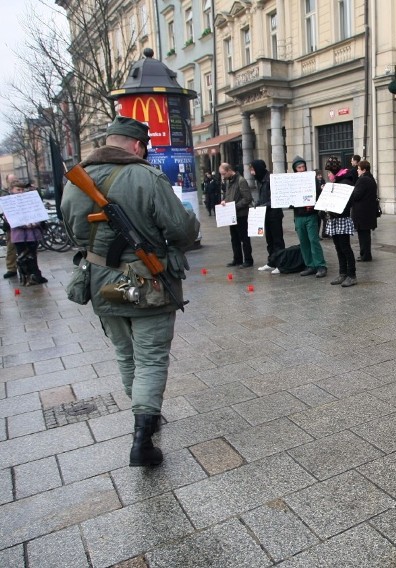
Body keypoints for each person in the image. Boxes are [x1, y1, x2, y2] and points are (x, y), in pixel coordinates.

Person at [61, 116, 199, 467]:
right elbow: (182, 230)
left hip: (100, 280)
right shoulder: (146, 175)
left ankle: (145, 415)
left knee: (126, 355)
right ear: (138, 145)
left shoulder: (76, 181)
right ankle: (143, 436)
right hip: (147, 281)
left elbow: (74, 235)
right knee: (151, 357)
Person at [324, 156, 357, 287]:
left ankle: (352, 275)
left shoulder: (345, 182)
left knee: (345, 247)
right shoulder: (337, 182)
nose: (328, 175)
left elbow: (347, 202)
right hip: (334, 218)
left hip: (342, 218)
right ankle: (342, 273)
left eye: (329, 172)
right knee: (338, 247)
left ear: (334, 172)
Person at [292, 157, 327, 278]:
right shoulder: (291, 182)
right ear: (295, 169)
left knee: (313, 240)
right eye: (299, 167)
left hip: (311, 215)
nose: (302, 169)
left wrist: (313, 203)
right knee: (303, 241)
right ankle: (310, 265)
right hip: (298, 216)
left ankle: (321, 265)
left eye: (303, 167)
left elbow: (318, 195)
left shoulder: (311, 180)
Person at [8, 181, 48, 285]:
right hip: (19, 236)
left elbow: (38, 212)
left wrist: (36, 222)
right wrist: (24, 225)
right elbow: (10, 218)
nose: (20, 192)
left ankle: (36, 276)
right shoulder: (9, 202)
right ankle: (26, 278)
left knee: (33, 256)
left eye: (22, 190)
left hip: (32, 234)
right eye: (18, 190)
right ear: (12, 190)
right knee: (22, 257)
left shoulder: (29, 200)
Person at [252, 159, 286, 273]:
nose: (252, 172)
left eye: (253, 169)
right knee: (269, 240)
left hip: (274, 214)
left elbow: (275, 199)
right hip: (265, 214)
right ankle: (271, 262)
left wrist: (262, 205)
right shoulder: (260, 180)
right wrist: (257, 204)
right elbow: (262, 197)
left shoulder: (271, 179)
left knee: (277, 240)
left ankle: (281, 264)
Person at [219, 162, 253, 268]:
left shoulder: (241, 181)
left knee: (244, 238)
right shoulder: (229, 181)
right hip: (231, 215)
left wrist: (234, 206)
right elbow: (228, 196)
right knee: (234, 238)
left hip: (241, 214)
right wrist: (224, 201)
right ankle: (237, 259)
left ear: (229, 170)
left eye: (224, 174)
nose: (223, 176)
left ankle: (248, 260)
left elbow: (247, 198)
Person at [350, 159, 378, 262]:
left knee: (363, 236)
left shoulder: (363, 180)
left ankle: (365, 255)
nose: (357, 170)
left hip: (362, 213)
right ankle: (365, 254)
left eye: (358, 169)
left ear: (364, 170)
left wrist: (352, 191)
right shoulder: (370, 178)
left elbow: (356, 195)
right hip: (368, 212)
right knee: (365, 235)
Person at [2, 174, 19, 278]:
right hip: (11, 225)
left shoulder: (23, 191)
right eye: (12, 180)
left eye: (15, 180)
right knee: (11, 247)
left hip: (22, 225)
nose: (14, 181)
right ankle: (11, 268)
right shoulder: (5, 194)